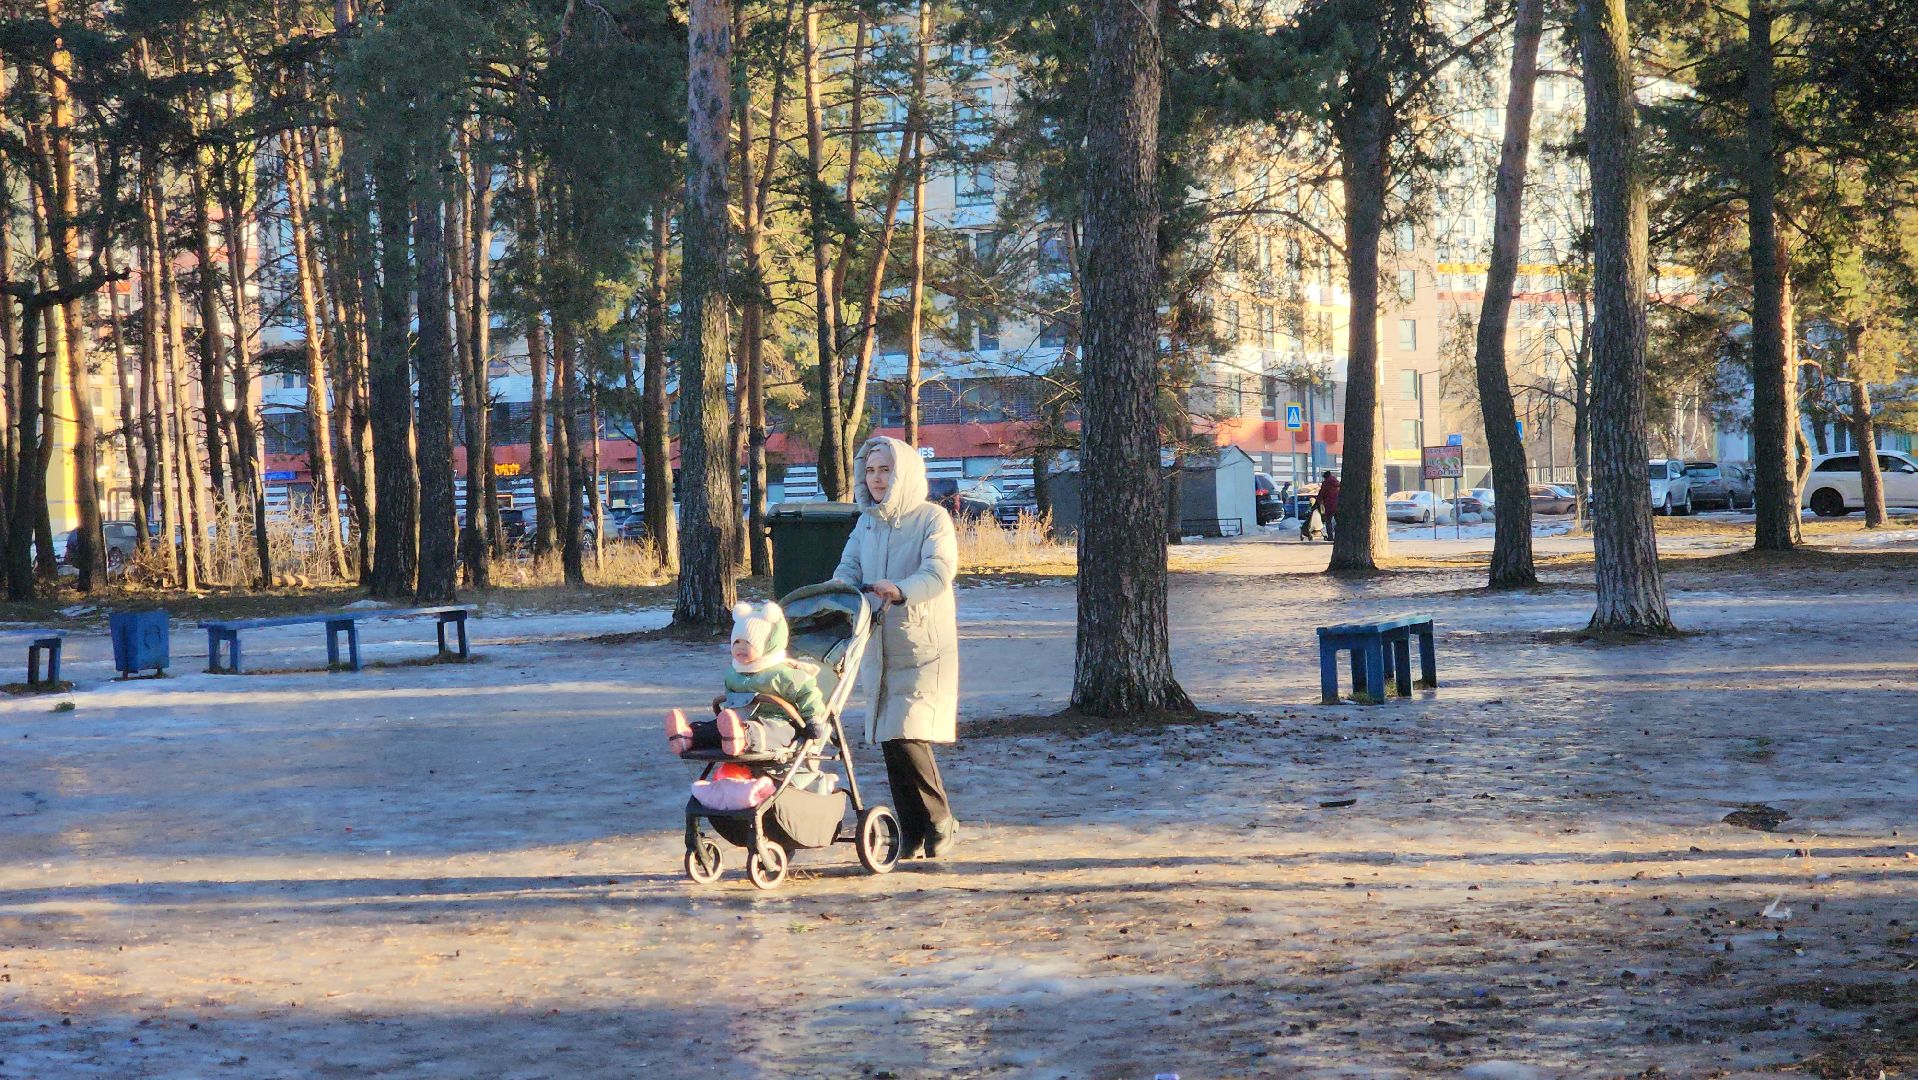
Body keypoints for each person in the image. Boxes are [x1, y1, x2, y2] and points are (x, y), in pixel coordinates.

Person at [833, 436, 961, 859]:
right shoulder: (866, 522)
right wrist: (834, 595)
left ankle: (940, 820)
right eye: (870, 470)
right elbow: (848, 568)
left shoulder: (932, 519)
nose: (877, 478)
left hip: (921, 645)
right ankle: (912, 832)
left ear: (903, 472)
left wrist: (901, 590)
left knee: (909, 733)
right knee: (890, 737)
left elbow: (939, 572)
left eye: (885, 470)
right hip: (877, 642)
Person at [666, 599, 826, 759]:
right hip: (739, 719)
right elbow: (730, 701)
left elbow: (809, 695)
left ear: (768, 645)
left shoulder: (786, 674)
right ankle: (689, 735)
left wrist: (813, 719)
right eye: (736, 642)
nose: (740, 647)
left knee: (770, 731)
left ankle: (742, 737)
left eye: (749, 643)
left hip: (779, 721)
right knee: (714, 727)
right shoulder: (734, 673)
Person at [1313, 471, 1341, 543]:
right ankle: (1339, 536)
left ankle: (1330, 537)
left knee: (1328, 521)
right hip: (1338, 505)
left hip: (1329, 505)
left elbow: (1321, 494)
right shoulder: (1338, 483)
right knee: (1339, 521)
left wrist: (1316, 503)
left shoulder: (1326, 484)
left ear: (1325, 477)